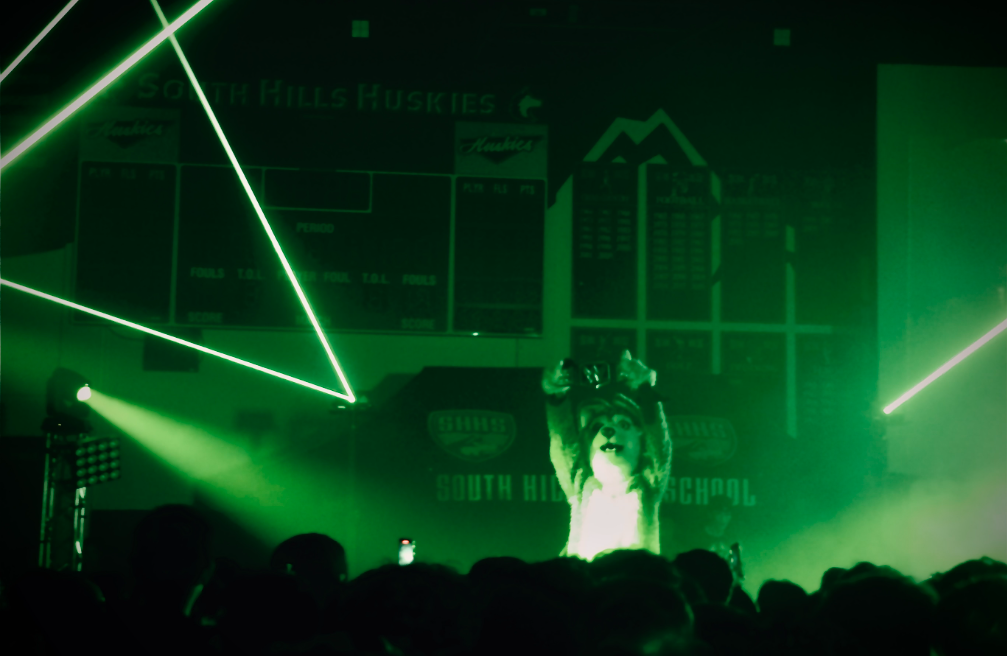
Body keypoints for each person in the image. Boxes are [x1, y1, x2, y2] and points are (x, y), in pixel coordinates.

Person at [542, 350, 672, 561]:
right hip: (586, 585)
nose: (609, 431)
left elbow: (659, 447)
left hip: (634, 584)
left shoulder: (647, 483)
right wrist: (556, 397)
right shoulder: (582, 485)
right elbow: (563, 442)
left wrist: (646, 391)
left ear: (640, 441)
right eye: (599, 427)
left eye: (623, 424)